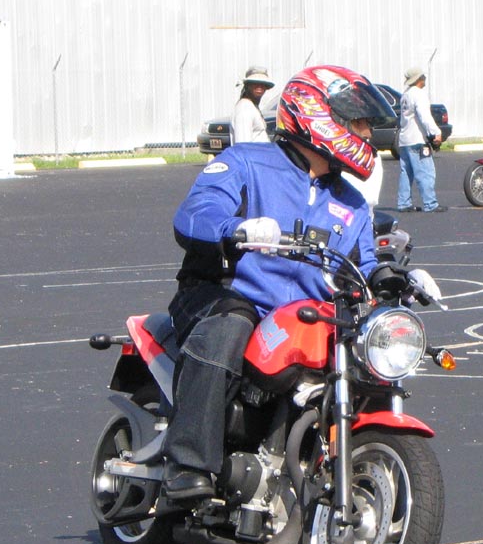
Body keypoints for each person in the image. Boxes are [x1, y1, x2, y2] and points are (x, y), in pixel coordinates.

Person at [162, 65, 398, 501]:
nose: (367, 132)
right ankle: (187, 462)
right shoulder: (246, 161)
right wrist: (234, 228)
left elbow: (365, 263)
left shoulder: (351, 203)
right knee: (230, 324)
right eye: (358, 120)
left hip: (302, 314)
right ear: (317, 114)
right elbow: (196, 212)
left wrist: (395, 277)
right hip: (227, 293)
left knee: (366, 348)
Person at [395, 67, 447, 213]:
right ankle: (430, 203)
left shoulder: (405, 95)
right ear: (419, 79)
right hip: (417, 139)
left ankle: (404, 203)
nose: (425, 78)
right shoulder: (419, 94)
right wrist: (436, 132)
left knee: (406, 172)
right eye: (423, 76)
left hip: (405, 139)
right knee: (426, 172)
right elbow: (425, 116)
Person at [231, 66, 274, 144]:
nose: (259, 87)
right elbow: (243, 145)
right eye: (255, 83)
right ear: (247, 85)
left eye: (263, 84)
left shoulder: (252, 106)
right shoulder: (244, 108)